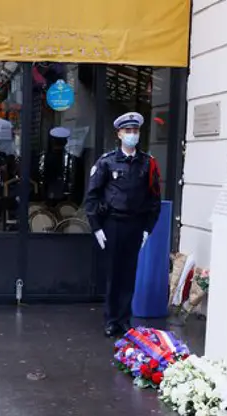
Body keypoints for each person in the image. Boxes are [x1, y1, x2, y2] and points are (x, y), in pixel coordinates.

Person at [84, 112, 161, 338]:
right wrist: (96, 227)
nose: (132, 135)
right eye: (128, 131)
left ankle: (124, 319)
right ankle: (111, 319)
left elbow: (154, 199)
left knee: (129, 274)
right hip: (112, 224)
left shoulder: (147, 163)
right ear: (119, 134)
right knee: (113, 274)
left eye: (135, 131)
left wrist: (148, 228)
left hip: (135, 224)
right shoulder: (107, 162)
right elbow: (92, 197)